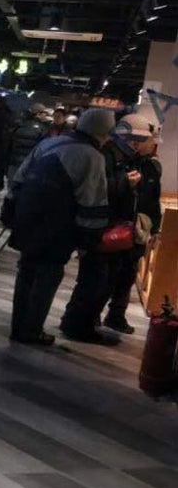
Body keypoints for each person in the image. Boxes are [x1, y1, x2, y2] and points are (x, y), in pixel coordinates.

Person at [2, 109, 113, 346]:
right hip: (57, 228)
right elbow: (92, 201)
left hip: (27, 217)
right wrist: (89, 239)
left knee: (26, 271)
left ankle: (18, 328)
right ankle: (32, 330)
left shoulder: (50, 143)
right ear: (102, 132)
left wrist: (10, 211)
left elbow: (19, 178)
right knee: (48, 275)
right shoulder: (92, 156)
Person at [100, 113, 164, 333]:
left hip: (139, 230)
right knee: (106, 276)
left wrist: (155, 228)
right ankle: (91, 315)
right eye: (149, 140)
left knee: (127, 275)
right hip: (118, 227)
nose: (153, 144)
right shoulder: (119, 160)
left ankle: (116, 315)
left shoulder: (153, 168)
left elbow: (153, 200)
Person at [9, 103, 50, 173]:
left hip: (15, 160)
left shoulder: (19, 124)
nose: (45, 116)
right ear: (38, 114)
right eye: (44, 113)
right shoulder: (42, 128)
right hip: (30, 162)